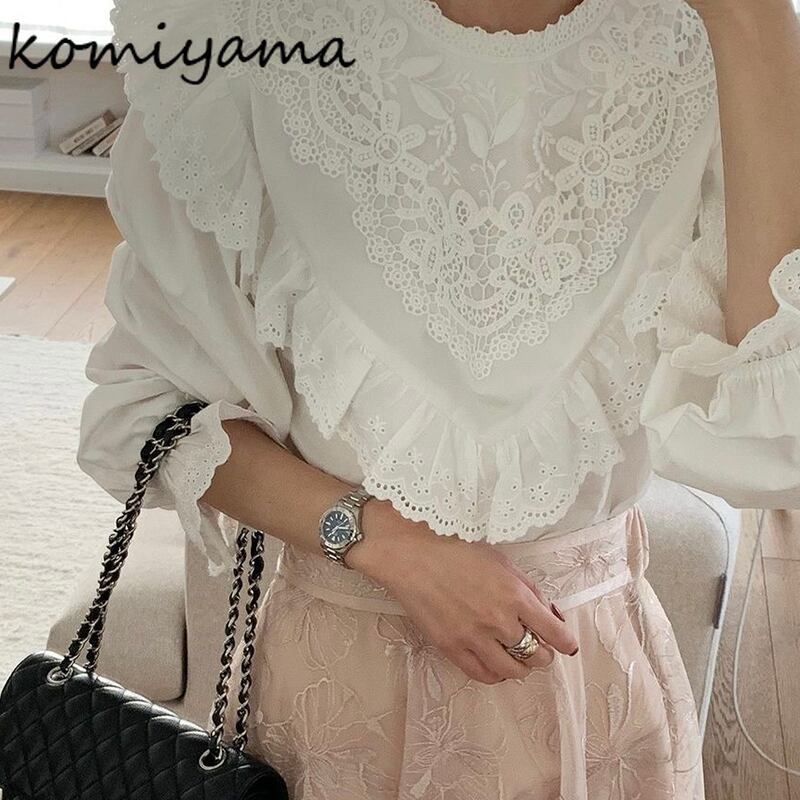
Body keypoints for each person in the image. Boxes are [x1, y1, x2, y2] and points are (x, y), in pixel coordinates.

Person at [77, 0, 800, 796]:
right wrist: (388, 545)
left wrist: (752, 20)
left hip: (599, 701)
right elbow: (143, 412)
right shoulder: (248, 32)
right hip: (337, 699)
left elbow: (775, 436)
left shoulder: (719, 43)